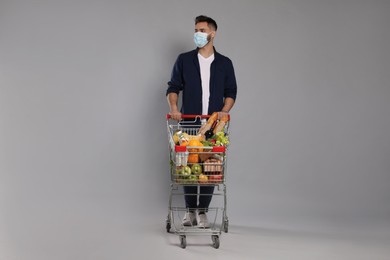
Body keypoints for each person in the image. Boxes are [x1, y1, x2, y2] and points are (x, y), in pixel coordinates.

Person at [166, 15, 237, 228]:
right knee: (188, 165)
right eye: (196, 30)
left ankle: (203, 211)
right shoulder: (184, 60)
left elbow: (231, 91)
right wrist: (175, 109)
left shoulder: (225, 63)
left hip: (213, 125)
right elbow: (173, 86)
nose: (198, 34)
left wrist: (224, 111)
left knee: (210, 168)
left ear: (212, 33)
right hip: (189, 122)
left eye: (202, 30)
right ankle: (190, 211)